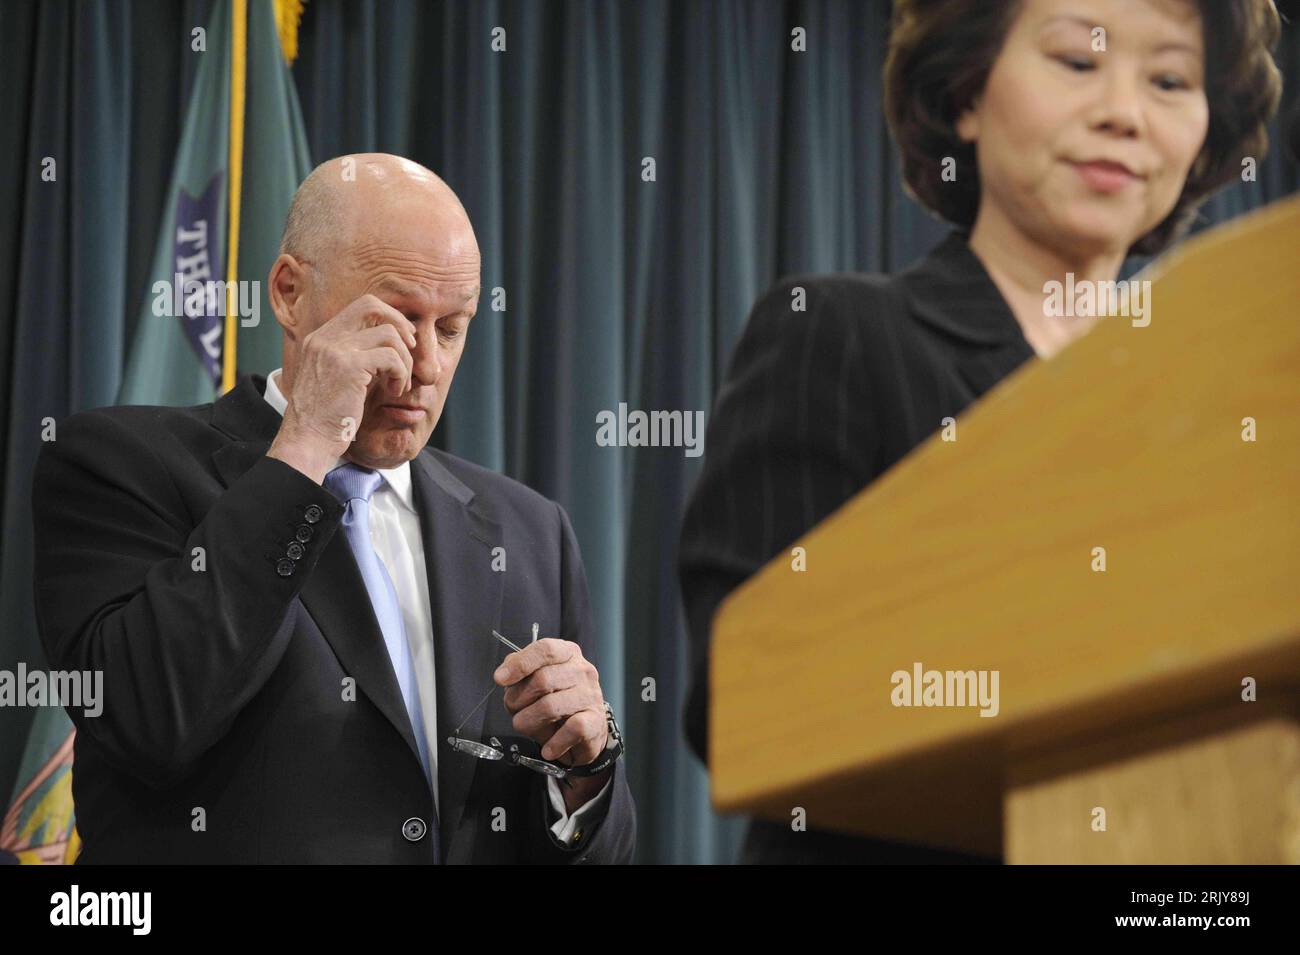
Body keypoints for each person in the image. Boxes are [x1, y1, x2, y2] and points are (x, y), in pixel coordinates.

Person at [678, 0, 1281, 864]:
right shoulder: (835, 332)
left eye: (1170, 80)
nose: (1125, 111)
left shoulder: (1221, 418)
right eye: (1079, 61)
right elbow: (740, 701)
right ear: (966, 93)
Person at [32, 153, 635, 864]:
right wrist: (309, 444)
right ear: (289, 294)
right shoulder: (118, 463)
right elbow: (148, 719)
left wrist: (585, 770)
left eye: (451, 326)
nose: (428, 363)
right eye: (398, 318)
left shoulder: (529, 531)